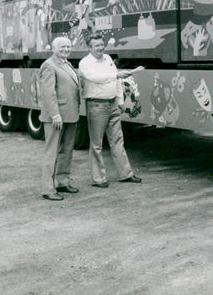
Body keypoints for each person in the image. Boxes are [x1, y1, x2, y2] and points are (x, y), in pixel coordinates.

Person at [78, 33, 144, 188]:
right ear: (90, 47)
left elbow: (117, 81)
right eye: (97, 45)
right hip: (96, 106)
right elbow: (95, 77)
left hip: (112, 104)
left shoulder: (108, 59)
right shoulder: (85, 63)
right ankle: (99, 179)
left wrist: (120, 100)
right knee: (96, 144)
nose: (101, 48)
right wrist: (116, 74)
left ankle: (126, 174)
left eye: (102, 44)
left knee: (117, 141)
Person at [39, 36, 81, 201]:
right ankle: (48, 189)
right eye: (62, 47)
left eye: (68, 46)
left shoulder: (66, 63)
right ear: (54, 48)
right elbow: (48, 93)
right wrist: (55, 114)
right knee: (52, 152)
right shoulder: (48, 65)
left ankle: (62, 182)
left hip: (70, 115)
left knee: (67, 150)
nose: (65, 49)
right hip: (56, 117)